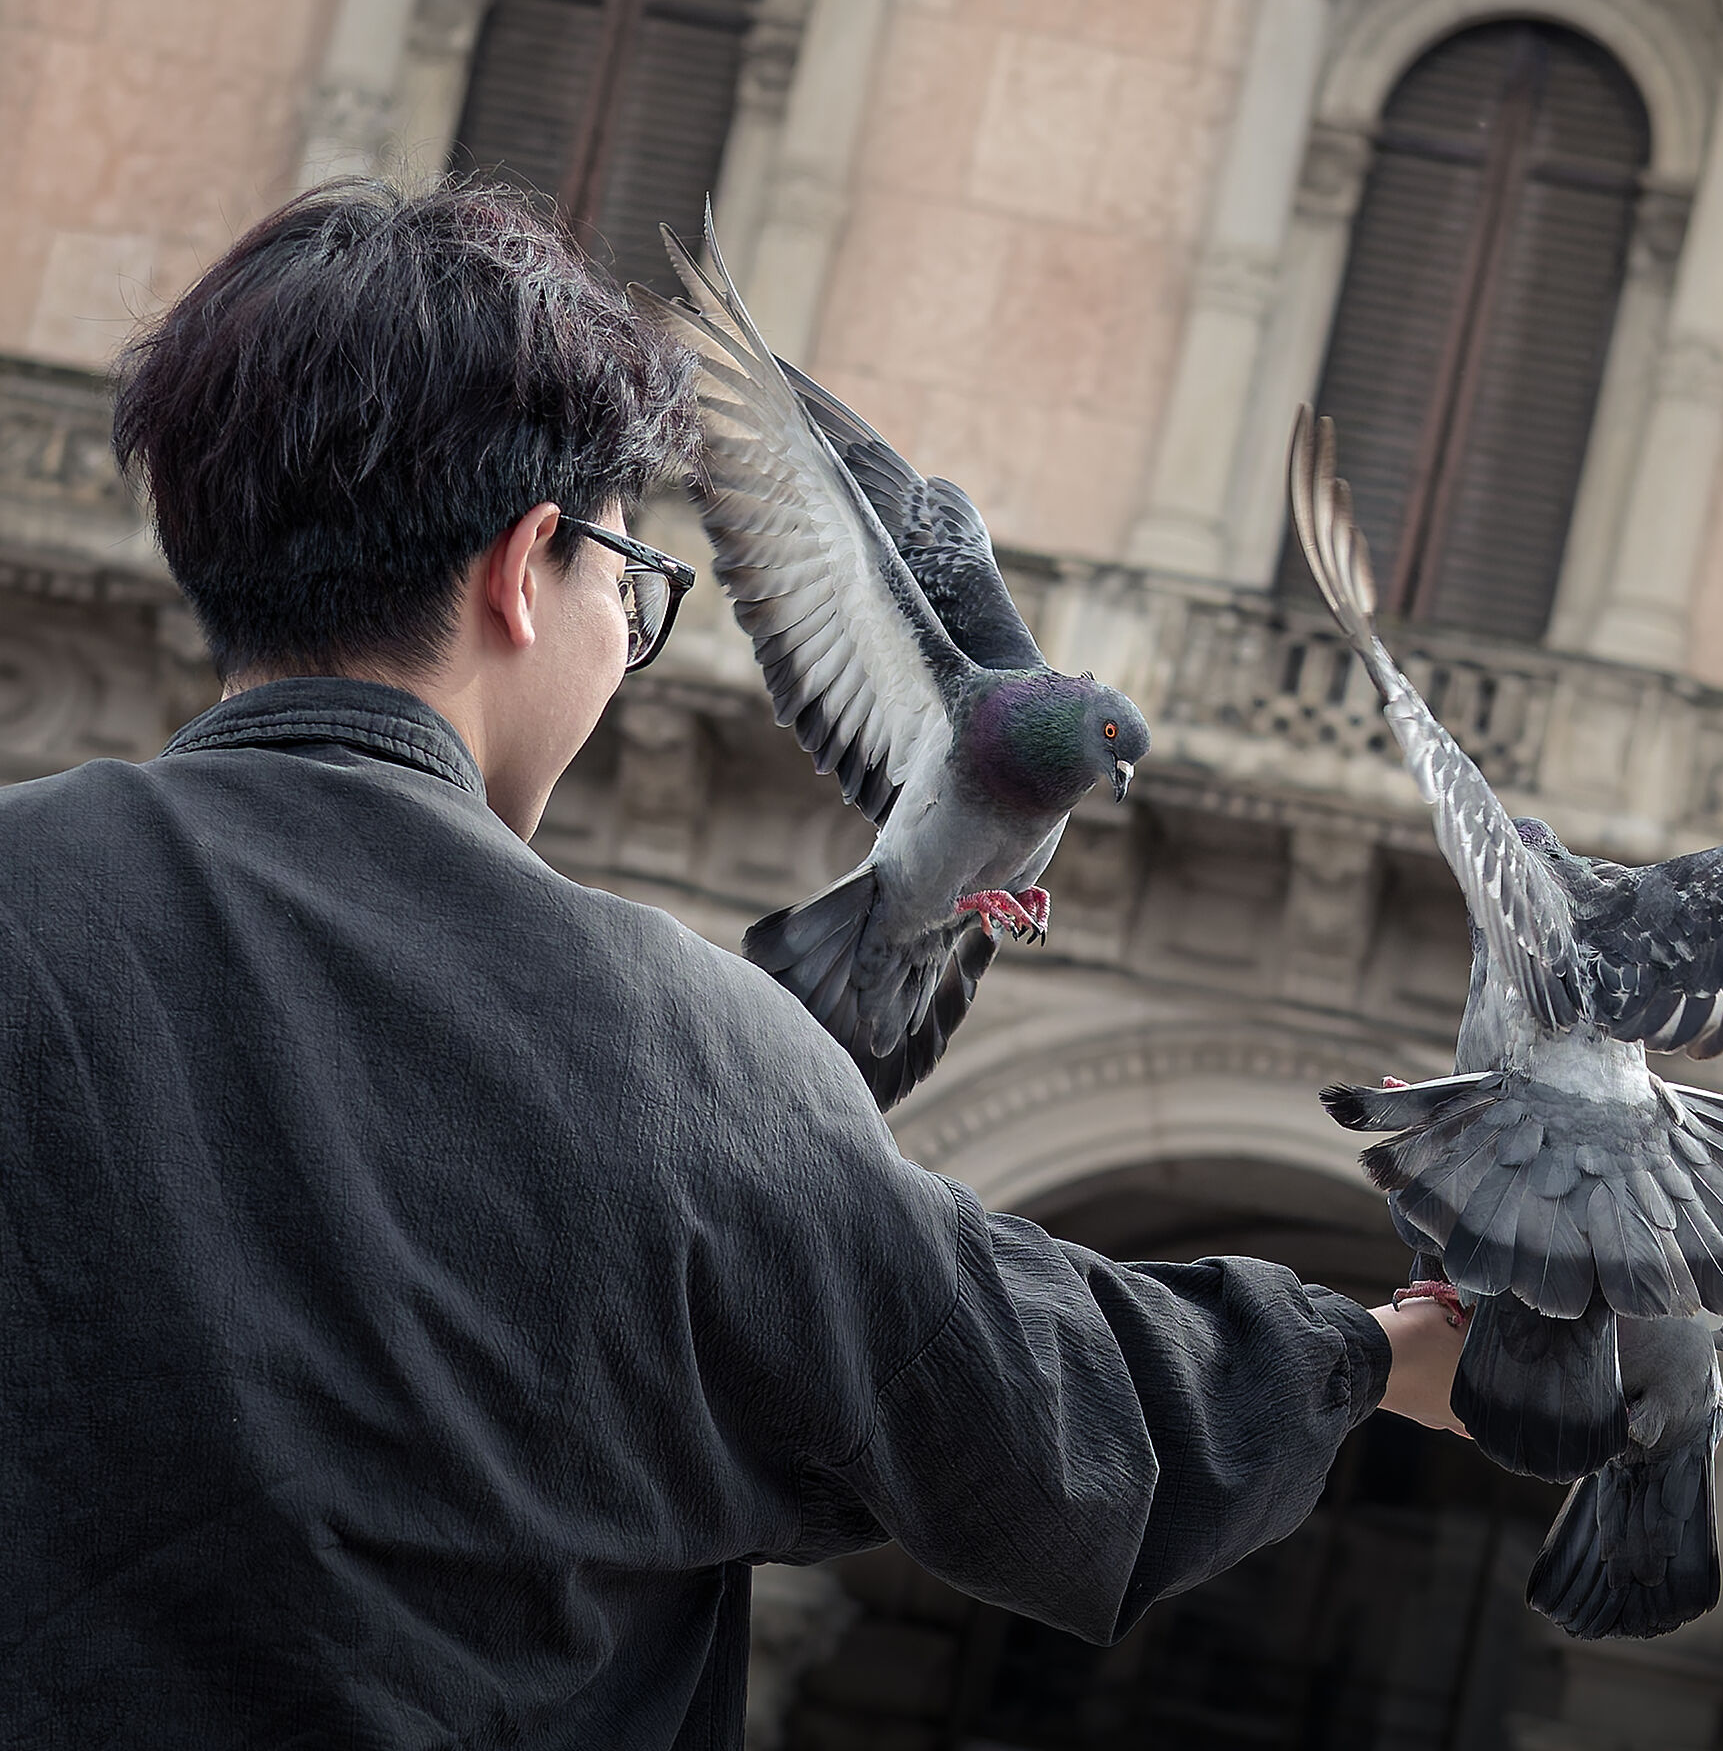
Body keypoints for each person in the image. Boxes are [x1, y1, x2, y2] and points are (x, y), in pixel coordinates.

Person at [0, 181, 1469, 1748]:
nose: (626, 635)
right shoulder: (683, 1054)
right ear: (524, 569)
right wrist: (1374, 1353)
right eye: (630, 585)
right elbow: (1031, 1408)